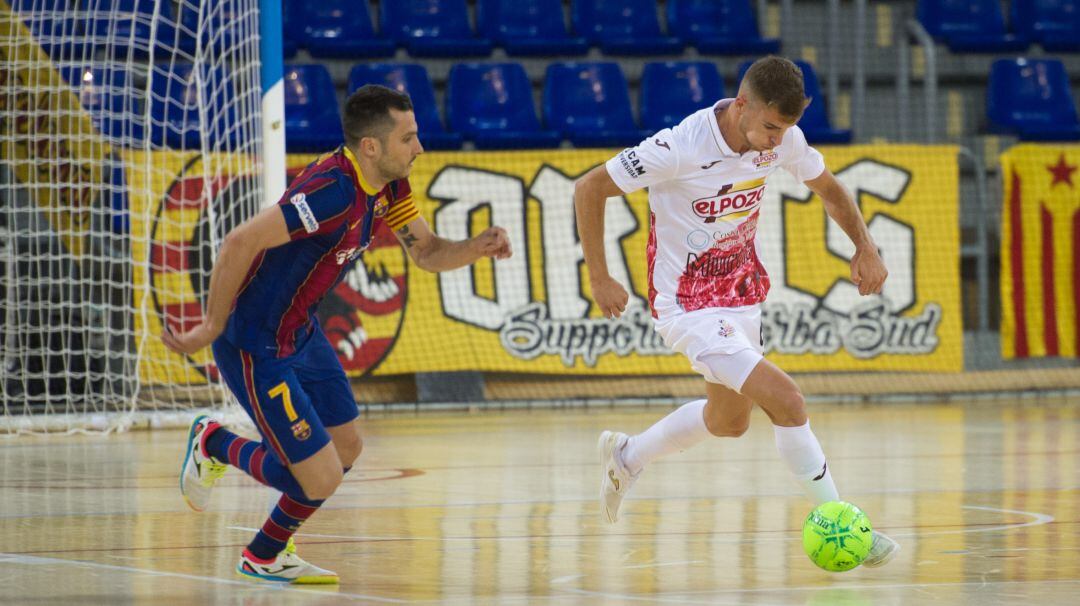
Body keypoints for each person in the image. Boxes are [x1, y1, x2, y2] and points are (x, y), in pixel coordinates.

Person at [162, 85, 512, 584]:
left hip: (299, 334)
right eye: (409, 138)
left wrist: (477, 247)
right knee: (318, 476)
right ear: (372, 147)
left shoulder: (389, 187)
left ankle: (265, 553)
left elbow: (428, 252)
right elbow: (241, 240)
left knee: (346, 448)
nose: (420, 148)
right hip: (254, 343)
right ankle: (215, 443)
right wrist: (212, 325)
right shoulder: (332, 192)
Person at [573, 56, 899, 567]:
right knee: (787, 400)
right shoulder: (678, 147)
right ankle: (842, 522)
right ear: (742, 105)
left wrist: (866, 247)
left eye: (786, 128)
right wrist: (600, 277)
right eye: (771, 126)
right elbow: (589, 187)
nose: (777, 139)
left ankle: (627, 456)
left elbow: (831, 191)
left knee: (727, 422)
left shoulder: (784, 137)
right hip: (687, 306)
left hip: (742, 296)